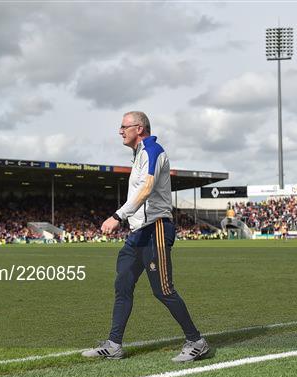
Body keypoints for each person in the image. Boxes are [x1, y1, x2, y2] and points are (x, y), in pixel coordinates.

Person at [82, 111, 209, 362]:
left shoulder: (152, 150)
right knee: (123, 285)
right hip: (137, 234)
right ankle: (114, 345)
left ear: (139, 128)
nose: (120, 130)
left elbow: (147, 189)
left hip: (156, 229)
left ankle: (197, 341)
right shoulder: (138, 154)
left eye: (123, 126)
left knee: (163, 290)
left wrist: (117, 216)